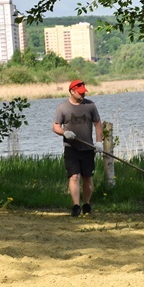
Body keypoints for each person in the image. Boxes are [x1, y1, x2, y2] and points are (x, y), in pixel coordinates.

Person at [53, 80, 103, 217]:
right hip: (71, 149)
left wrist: (99, 142)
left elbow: (98, 123)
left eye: (84, 92)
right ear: (72, 92)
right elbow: (56, 126)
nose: (82, 95)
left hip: (88, 148)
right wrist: (64, 132)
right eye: (80, 93)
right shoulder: (63, 108)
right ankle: (76, 206)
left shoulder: (90, 105)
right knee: (74, 176)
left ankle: (86, 204)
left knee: (87, 177)